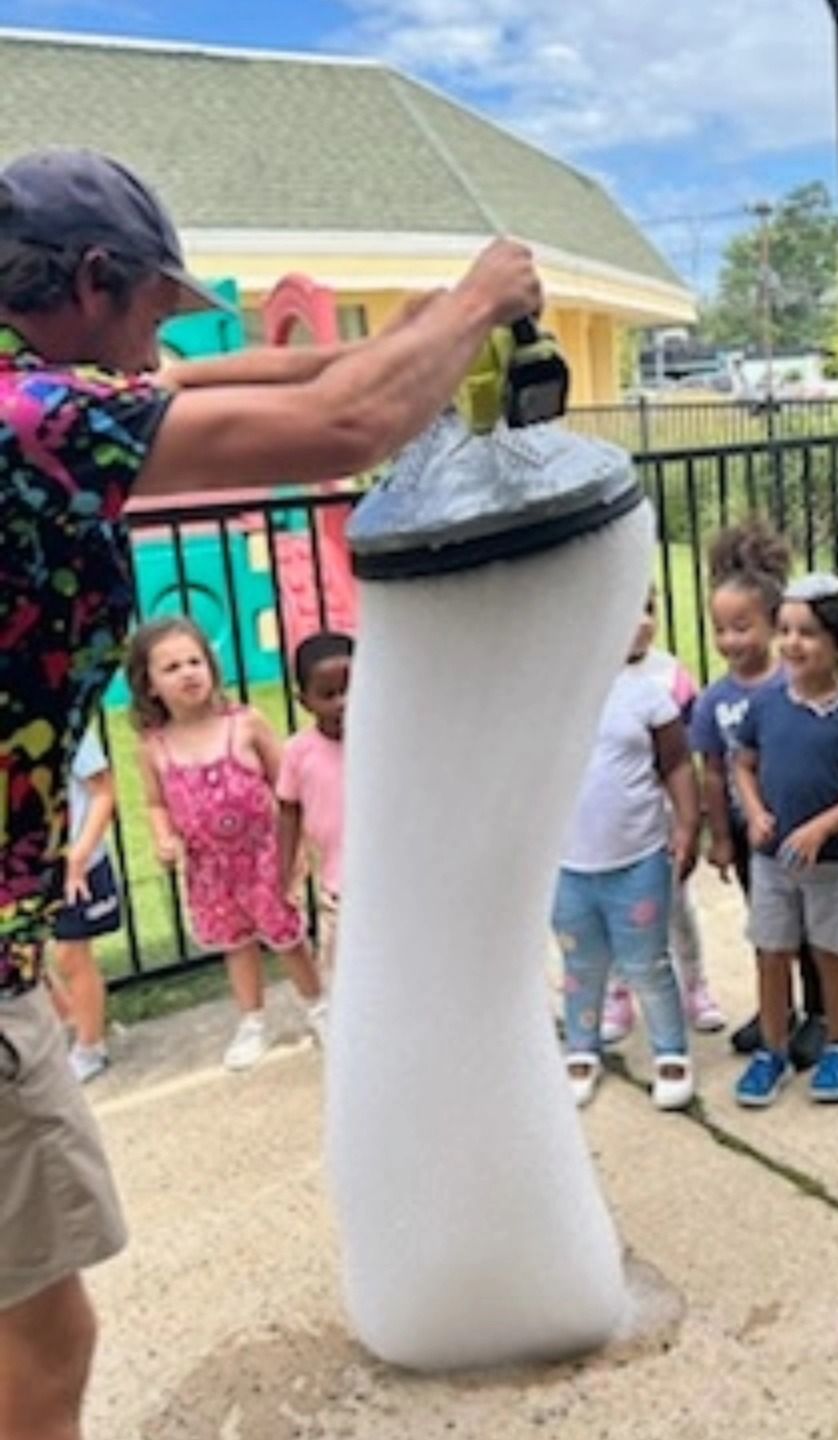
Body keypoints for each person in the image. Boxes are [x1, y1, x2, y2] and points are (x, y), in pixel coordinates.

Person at [0, 144, 539, 1440]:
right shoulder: (39, 421)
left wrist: (415, 334)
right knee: (43, 1334)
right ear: (89, 280)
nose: (153, 346)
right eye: (146, 309)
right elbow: (345, 427)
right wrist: (477, 295)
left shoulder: (41, 400)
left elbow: (250, 377)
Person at [128, 618, 327, 1070]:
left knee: (287, 936)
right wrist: (164, 837)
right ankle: (252, 1020)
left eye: (195, 661)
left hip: (264, 855)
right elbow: (156, 803)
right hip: (209, 868)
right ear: (150, 685)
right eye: (172, 667)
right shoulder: (153, 747)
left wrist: (297, 849)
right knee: (235, 944)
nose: (187, 673)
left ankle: (319, 1005)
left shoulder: (245, 724)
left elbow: (287, 785)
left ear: (212, 667)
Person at [732, 573, 838, 1107]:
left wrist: (824, 825)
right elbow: (744, 765)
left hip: (831, 863)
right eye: (786, 630)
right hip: (771, 860)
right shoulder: (767, 703)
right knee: (770, 953)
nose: (792, 644)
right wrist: (753, 811)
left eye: (809, 633)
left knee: (828, 953)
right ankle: (771, 1049)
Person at [553, 598, 702, 1112]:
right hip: (567, 865)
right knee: (580, 962)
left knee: (647, 961)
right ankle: (581, 1045)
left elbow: (678, 764)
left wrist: (687, 823)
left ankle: (670, 1049)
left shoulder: (646, 698)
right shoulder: (546, 702)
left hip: (638, 858)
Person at [690, 519, 829, 1070]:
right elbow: (710, 770)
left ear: (774, 625)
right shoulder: (713, 700)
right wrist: (720, 837)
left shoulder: (794, 686)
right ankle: (779, 1009)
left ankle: (820, 1013)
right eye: (720, 630)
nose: (730, 642)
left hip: (801, 831)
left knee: (813, 928)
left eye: (742, 628)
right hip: (752, 836)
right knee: (767, 926)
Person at [601, 588, 725, 1040]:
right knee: (610, 909)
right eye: (628, 607)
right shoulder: (588, 678)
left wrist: (694, 819)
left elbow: (686, 755)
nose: (641, 621)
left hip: (661, 818)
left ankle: (695, 984)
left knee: (674, 906)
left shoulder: (672, 677)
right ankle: (618, 992)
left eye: (649, 608)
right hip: (612, 821)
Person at [277, 631, 353, 983]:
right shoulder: (298, 752)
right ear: (304, 701)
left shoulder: (388, 744)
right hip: (340, 892)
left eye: (351, 689)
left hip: (394, 885)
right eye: (328, 694)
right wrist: (284, 872)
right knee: (343, 975)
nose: (343, 702)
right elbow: (289, 811)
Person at [49, 730, 123, 1085]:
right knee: (25, 955)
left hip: (77, 863)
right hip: (27, 866)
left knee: (70, 955)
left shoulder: (67, 720)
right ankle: (73, 1022)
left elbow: (103, 791)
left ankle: (91, 1046)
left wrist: (80, 852)